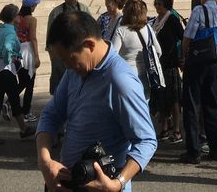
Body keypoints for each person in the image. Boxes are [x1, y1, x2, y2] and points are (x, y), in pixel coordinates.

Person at [37, 10, 157, 191]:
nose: (67, 66)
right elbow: (51, 114)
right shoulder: (74, 72)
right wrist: (45, 161)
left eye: (69, 59)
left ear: (89, 45)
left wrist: (118, 183)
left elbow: (146, 141)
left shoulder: (120, 80)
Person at [179, 0, 217, 165]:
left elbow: (187, 37)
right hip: (214, 63)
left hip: (197, 63)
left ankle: (194, 151)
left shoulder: (199, 11)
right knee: (213, 105)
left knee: (192, 105)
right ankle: (216, 147)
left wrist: (183, 58)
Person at [0, 3, 35, 145]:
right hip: (6, 69)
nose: (20, 17)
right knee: (14, 99)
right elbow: (7, 47)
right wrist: (9, 59)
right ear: (14, 17)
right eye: (18, 14)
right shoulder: (11, 32)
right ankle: (23, 129)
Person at [111, 0, 162, 101]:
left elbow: (112, 55)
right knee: (144, 105)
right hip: (146, 75)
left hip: (126, 75)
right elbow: (158, 51)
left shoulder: (121, 31)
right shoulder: (147, 28)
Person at [46, 0, 90, 94]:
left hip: (80, 50)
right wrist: (52, 53)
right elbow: (50, 34)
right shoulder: (56, 12)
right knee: (60, 85)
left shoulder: (84, 9)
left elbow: (90, 30)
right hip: (61, 52)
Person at [150, 0, 184, 143]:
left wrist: (181, 57)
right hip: (159, 64)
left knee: (175, 99)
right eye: (156, 4)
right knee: (162, 97)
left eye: (160, 4)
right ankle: (164, 127)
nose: (157, 7)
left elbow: (182, 38)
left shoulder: (172, 19)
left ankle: (176, 129)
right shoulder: (155, 21)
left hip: (170, 63)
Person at [16, 0, 41, 123]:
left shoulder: (17, 18)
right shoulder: (32, 19)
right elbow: (33, 38)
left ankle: (11, 102)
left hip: (17, 50)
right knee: (29, 82)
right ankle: (26, 111)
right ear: (31, 6)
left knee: (22, 80)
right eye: (35, 5)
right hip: (27, 50)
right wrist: (36, 56)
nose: (35, 7)